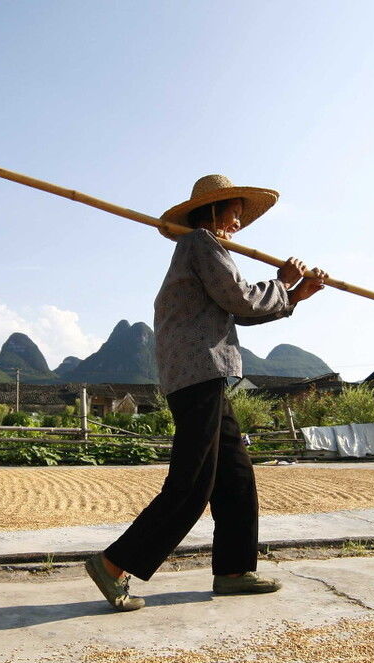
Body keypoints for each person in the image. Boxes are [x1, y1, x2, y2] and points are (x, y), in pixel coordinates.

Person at [85, 174, 326, 611]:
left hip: (205, 376)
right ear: (213, 211)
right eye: (233, 212)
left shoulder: (204, 249)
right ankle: (113, 564)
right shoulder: (201, 244)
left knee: (235, 477)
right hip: (199, 374)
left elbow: (243, 311)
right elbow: (244, 300)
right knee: (192, 484)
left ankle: (234, 571)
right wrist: (284, 283)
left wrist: (293, 295)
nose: (237, 221)